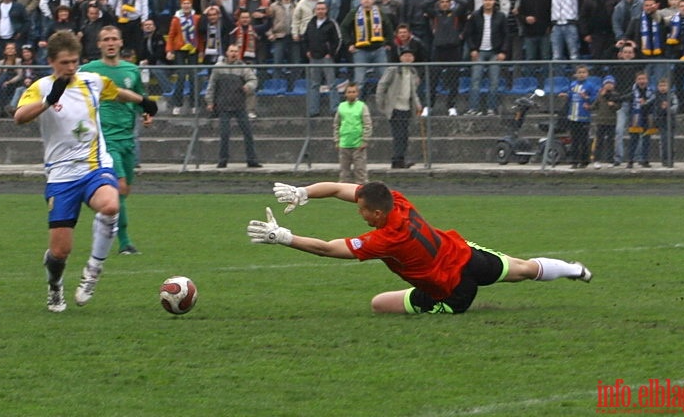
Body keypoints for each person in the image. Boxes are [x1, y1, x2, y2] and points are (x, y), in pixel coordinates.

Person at [246, 181, 592, 315]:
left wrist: (284, 238)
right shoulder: (397, 200)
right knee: (524, 269)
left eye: (362, 210)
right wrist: (305, 192)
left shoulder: (385, 239)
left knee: (379, 304)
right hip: (465, 255)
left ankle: (572, 270)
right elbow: (339, 187)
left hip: (452, 292)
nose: (359, 212)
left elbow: (327, 249)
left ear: (377, 212)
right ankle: (576, 270)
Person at [14, 30, 158, 313]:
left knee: (110, 205)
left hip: (94, 165)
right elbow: (19, 117)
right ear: (52, 62)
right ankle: (55, 287)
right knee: (59, 252)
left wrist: (143, 101)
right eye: (64, 62)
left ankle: (93, 271)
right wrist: (46, 102)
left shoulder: (91, 81)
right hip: (61, 175)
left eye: (74, 62)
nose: (70, 68)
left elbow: (116, 93)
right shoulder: (41, 87)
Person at [80, 26, 151, 255]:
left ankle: (104, 214)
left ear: (121, 43)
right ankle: (125, 243)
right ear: (99, 44)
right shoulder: (89, 70)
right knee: (119, 187)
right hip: (105, 138)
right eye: (105, 39)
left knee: (125, 190)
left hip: (128, 138)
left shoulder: (131, 70)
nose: (110, 43)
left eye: (114, 39)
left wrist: (147, 113)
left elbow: (140, 98)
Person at [205, 44, 263, 169]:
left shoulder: (243, 68)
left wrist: (248, 86)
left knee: (248, 133)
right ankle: (223, 160)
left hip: (239, 105)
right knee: (224, 134)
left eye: (236, 51)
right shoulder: (218, 68)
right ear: (227, 52)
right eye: (231, 51)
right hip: (223, 106)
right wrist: (209, 101)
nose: (233, 53)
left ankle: (251, 159)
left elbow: (253, 80)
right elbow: (211, 85)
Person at [376, 49, 422, 169]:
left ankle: (401, 159)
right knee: (398, 135)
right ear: (400, 58)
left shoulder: (413, 72)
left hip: (406, 107)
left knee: (404, 135)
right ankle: (397, 160)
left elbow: (413, 92)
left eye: (410, 56)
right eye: (405, 56)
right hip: (395, 107)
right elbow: (382, 85)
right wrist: (381, 103)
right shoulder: (393, 70)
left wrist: (418, 104)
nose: (407, 58)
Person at [558, 65, 598, 169]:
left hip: (584, 117)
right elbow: (570, 96)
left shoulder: (590, 86)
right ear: (576, 74)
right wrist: (565, 95)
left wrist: (587, 98)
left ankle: (584, 161)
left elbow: (594, 99)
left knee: (584, 140)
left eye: (583, 72)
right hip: (573, 117)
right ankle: (574, 161)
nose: (581, 74)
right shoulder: (573, 85)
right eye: (579, 72)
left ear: (587, 74)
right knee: (574, 140)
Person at [334, 82, 372, 184]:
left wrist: (365, 140)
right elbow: (336, 124)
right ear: (345, 94)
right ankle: (343, 191)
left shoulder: (362, 106)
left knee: (360, 170)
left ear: (357, 93)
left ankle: (362, 190)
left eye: (353, 92)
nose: (351, 94)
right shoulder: (341, 107)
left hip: (358, 143)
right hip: (344, 143)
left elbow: (367, 124)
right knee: (344, 171)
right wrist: (337, 140)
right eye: (349, 92)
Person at [591, 75, 621, 169]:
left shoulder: (616, 95)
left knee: (610, 141)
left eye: (611, 83)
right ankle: (597, 160)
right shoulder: (600, 95)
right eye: (607, 83)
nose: (609, 85)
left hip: (611, 121)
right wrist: (588, 107)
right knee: (599, 141)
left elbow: (619, 106)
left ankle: (610, 159)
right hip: (601, 121)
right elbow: (595, 105)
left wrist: (613, 105)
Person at [627, 71, 655, 168]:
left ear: (647, 80)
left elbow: (652, 104)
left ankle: (645, 160)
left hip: (647, 117)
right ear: (636, 80)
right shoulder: (631, 92)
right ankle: (630, 160)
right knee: (633, 139)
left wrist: (646, 103)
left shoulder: (651, 92)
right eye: (639, 79)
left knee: (646, 139)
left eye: (643, 79)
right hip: (635, 117)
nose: (642, 81)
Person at [653, 77, 678, 167]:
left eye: (664, 85)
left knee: (670, 140)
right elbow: (653, 106)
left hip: (671, 121)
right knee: (664, 140)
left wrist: (667, 108)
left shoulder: (672, 95)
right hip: (661, 121)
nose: (662, 88)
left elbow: (675, 107)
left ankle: (671, 159)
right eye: (660, 86)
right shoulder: (656, 96)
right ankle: (664, 159)